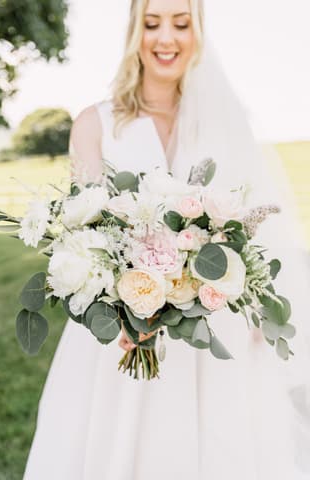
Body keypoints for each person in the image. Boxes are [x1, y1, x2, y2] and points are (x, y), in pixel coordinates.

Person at [23, 0, 310, 478]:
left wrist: (254, 302)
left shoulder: (223, 122)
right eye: (152, 23)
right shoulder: (96, 124)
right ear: (134, 31)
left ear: (198, 32)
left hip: (213, 336)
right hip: (122, 338)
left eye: (181, 24)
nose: (166, 38)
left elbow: (250, 230)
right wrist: (116, 313)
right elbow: (82, 237)